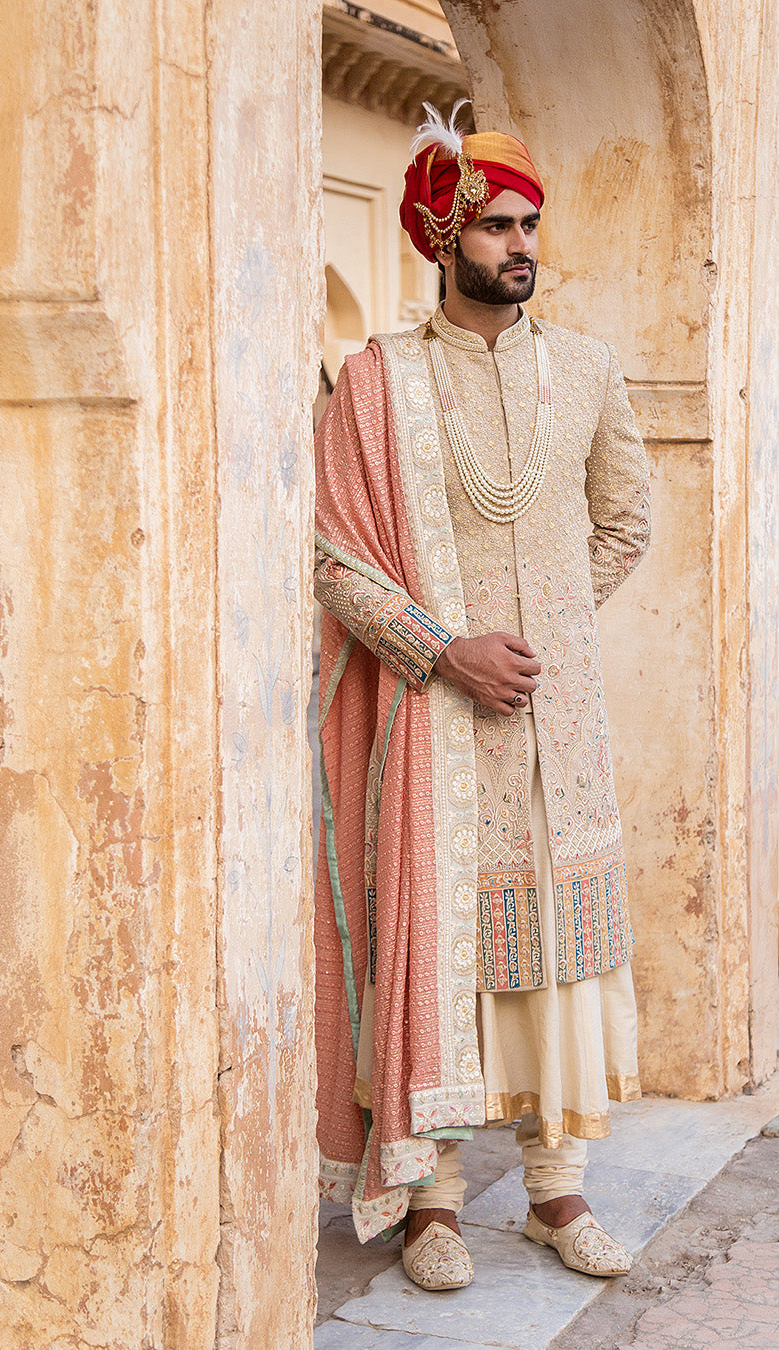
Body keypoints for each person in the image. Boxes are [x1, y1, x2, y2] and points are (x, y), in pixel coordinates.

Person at [313, 103, 651, 1290]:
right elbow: (332, 554)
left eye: (529, 225)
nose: (521, 244)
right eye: (497, 225)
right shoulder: (379, 383)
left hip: (558, 721)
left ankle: (557, 1188)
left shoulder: (588, 368)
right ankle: (436, 1203)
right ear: (442, 237)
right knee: (446, 943)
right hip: (436, 714)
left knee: (557, 943)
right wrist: (443, 650)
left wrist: (552, 623)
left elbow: (628, 519)